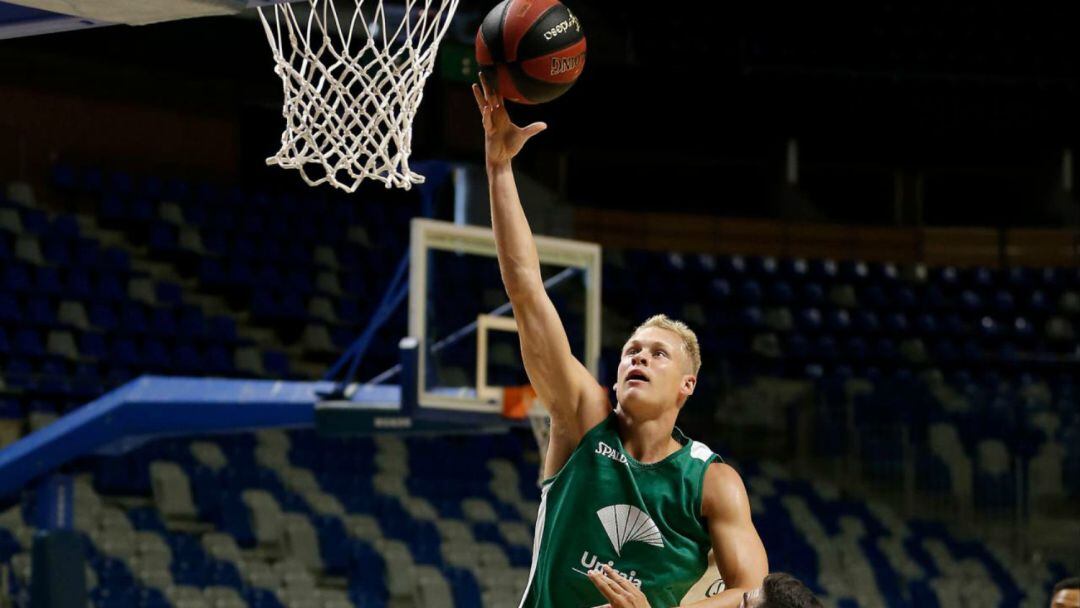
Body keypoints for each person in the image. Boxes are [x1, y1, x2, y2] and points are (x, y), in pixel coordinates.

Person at [472, 74, 768, 608]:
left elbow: (754, 594)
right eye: (633, 350)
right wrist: (499, 168)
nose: (639, 357)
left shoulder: (712, 481)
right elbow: (527, 291)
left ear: (687, 385)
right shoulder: (582, 417)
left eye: (658, 354)